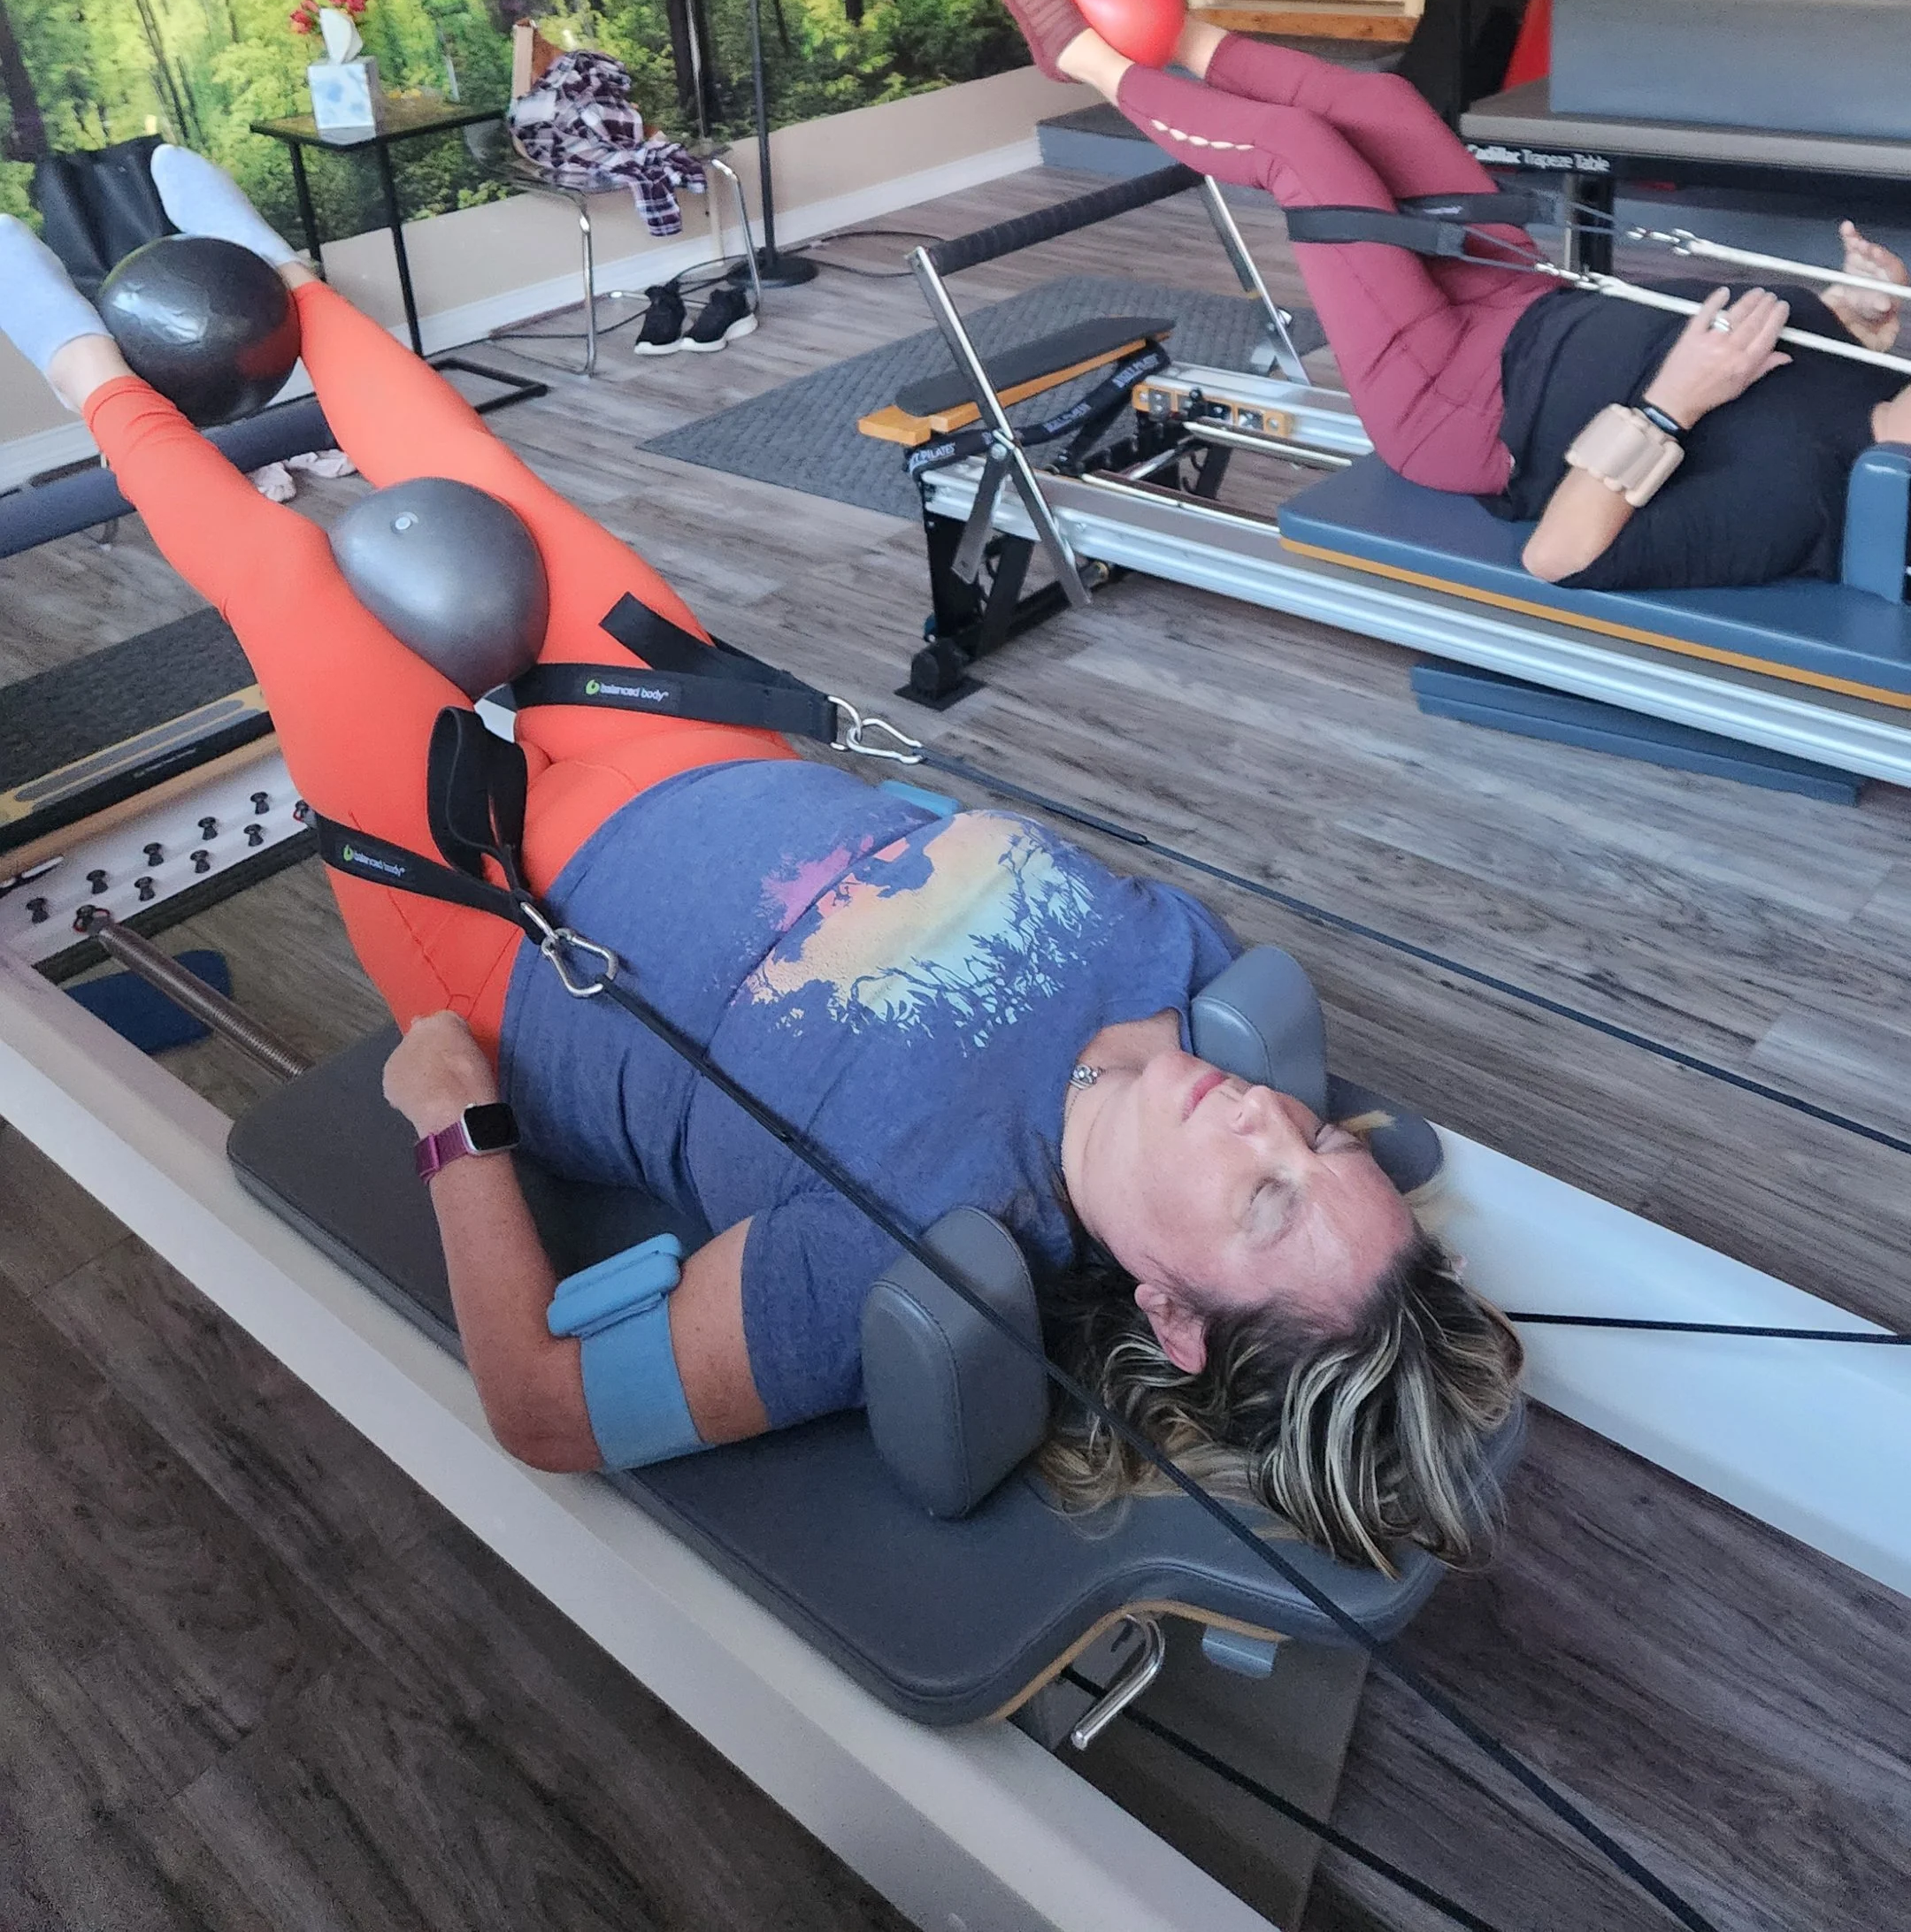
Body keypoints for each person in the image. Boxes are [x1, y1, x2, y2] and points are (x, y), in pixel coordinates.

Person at [0, 159, 1521, 1572]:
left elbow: (542, 1406)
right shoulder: (1182, 968)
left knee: (291, 578)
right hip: (707, 754)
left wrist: (456, 1134)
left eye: (1261, 1198)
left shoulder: (909, 1244)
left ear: (1172, 1319)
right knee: (493, 487)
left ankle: (72, 357)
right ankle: (286, 284)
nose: (1271, 1120)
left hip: (496, 920)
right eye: (1318, 1152)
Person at [996, 0, 1911, 605]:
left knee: (1306, 159)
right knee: (1386, 102)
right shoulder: (1879, 394)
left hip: (1455, 401)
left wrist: (1672, 401)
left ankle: (1087, 58)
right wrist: (1861, 314)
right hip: (1525, 301)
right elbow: (1811, 379)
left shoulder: (1792, 508)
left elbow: (1562, 554)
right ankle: (1177, 35)